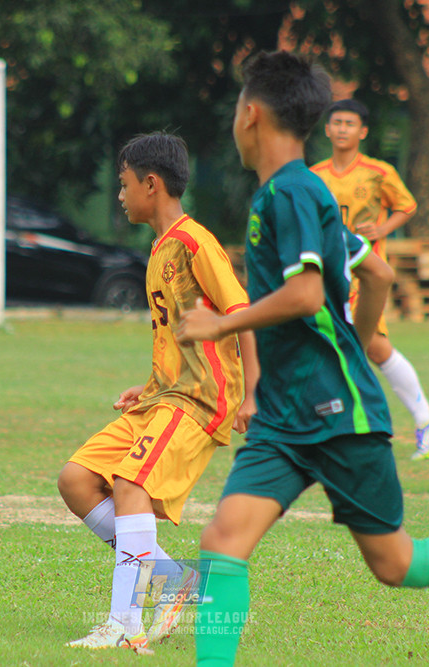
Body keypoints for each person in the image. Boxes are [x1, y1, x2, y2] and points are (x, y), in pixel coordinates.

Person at [176, 50, 429, 667]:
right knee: (223, 541)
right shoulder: (303, 191)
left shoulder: (288, 193)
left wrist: (222, 321)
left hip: (336, 411)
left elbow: (308, 293)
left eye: (238, 106)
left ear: (252, 115)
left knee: (396, 563)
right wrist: (357, 339)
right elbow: (375, 270)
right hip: (284, 419)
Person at [57, 131, 259, 655]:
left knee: (130, 485)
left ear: (152, 183)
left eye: (123, 185)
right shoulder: (159, 247)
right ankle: (178, 581)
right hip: (165, 395)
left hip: (199, 399)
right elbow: (175, 334)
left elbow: (243, 315)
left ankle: (125, 623)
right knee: (77, 480)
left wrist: (253, 394)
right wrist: (148, 386)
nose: (119, 196)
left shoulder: (195, 242)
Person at [311, 99, 429, 460]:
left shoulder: (378, 171)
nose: (341, 128)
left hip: (364, 277)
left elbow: (407, 205)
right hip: (327, 277)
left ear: (363, 131)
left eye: (349, 123)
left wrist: (381, 229)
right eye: (336, 122)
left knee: (363, 347)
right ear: (327, 129)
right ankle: (420, 417)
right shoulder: (314, 174)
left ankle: (361, 426)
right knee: (360, 348)